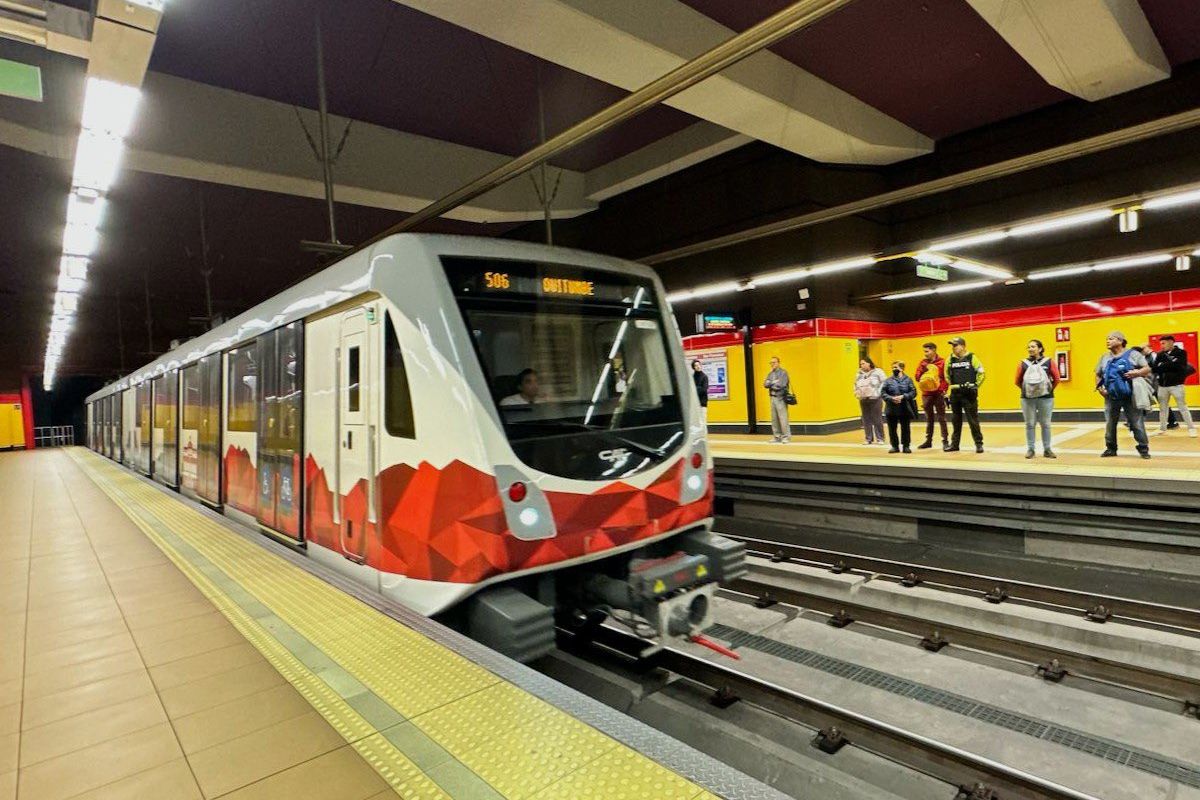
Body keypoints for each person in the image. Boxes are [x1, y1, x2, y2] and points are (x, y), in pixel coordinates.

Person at [1095, 331, 1151, 459]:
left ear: (1120, 341)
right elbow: (1098, 374)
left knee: (1136, 422)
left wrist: (1136, 373)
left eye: (1111, 339)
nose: (1108, 341)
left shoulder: (1133, 354)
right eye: (1107, 339)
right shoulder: (1104, 357)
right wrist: (1100, 388)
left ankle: (1143, 448)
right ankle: (1111, 448)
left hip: (1130, 395)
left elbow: (1147, 369)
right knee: (1110, 422)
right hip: (1110, 395)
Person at [1015, 339, 1060, 459]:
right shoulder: (1022, 363)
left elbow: (1056, 378)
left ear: (1040, 349)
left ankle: (1047, 449)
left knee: (1045, 424)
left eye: (1033, 347)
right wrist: (1027, 391)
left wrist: (1047, 390)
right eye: (1028, 347)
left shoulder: (1049, 362)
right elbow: (1017, 381)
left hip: (1046, 398)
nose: (1030, 349)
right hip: (1027, 399)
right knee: (1030, 424)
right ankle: (1031, 449)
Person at [945, 336, 985, 453]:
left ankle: (979, 444)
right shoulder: (950, 360)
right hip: (955, 394)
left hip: (969, 394)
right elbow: (947, 375)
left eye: (955, 345)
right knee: (955, 421)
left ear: (963, 346)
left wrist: (975, 385)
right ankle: (954, 445)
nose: (953, 348)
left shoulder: (972, 357)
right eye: (952, 346)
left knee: (973, 421)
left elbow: (981, 373)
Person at [1151, 335, 1196, 437]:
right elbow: (1154, 368)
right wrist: (1169, 364)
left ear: (1171, 342)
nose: (1161, 346)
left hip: (1177, 385)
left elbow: (1180, 366)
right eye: (1161, 344)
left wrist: (1162, 366)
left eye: (1164, 343)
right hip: (1162, 385)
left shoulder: (1181, 353)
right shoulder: (1160, 354)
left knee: (1182, 407)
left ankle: (1191, 428)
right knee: (1163, 408)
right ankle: (1162, 428)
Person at [914, 342, 949, 450]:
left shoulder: (942, 362)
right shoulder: (923, 363)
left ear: (933, 350)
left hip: (938, 394)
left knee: (941, 418)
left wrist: (942, 390)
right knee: (929, 419)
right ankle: (928, 441)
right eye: (924, 351)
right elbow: (917, 378)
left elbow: (946, 378)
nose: (925, 354)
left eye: (927, 351)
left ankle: (945, 441)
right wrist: (923, 370)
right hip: (926, 394)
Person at [880, 360, 917, 453]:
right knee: (892, 429)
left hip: (904, 407)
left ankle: (906, 446)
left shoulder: (908, 380)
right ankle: (894, 446)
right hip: (891, 408)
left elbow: (913, 392)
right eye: (893, 368)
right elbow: (883, 393)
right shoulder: (888, 380)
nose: (894, 369)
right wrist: (891, 398)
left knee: (905, 428)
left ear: (902, 368)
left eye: (896, 367)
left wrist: (904, 396)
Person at [853, 358, 887, 445]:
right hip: (863, 398)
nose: (862, 365)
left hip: (875, 398)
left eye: (863, 363)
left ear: (869, 363)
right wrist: (856, 393)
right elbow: (855, 384)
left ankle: (880, 438)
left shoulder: (878, 372)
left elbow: (884, 383)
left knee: (877, 419)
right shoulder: (859, 374)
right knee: (866, 419)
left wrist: (879, 393)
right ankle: (868, 438)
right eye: (861, 364)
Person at [763, 356, 791, 443]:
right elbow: (765, 384)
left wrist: (771, 383)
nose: (772, 364)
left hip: (780, 398)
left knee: (783, 418)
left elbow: (781, 385)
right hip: (772, 398)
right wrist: (773, 383)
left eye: (774, 362)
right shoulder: (770, 374)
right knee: (774, 418)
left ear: (778, 363)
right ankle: (777, 436)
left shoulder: (783, 373)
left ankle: (786, 437)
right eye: (771, 363)